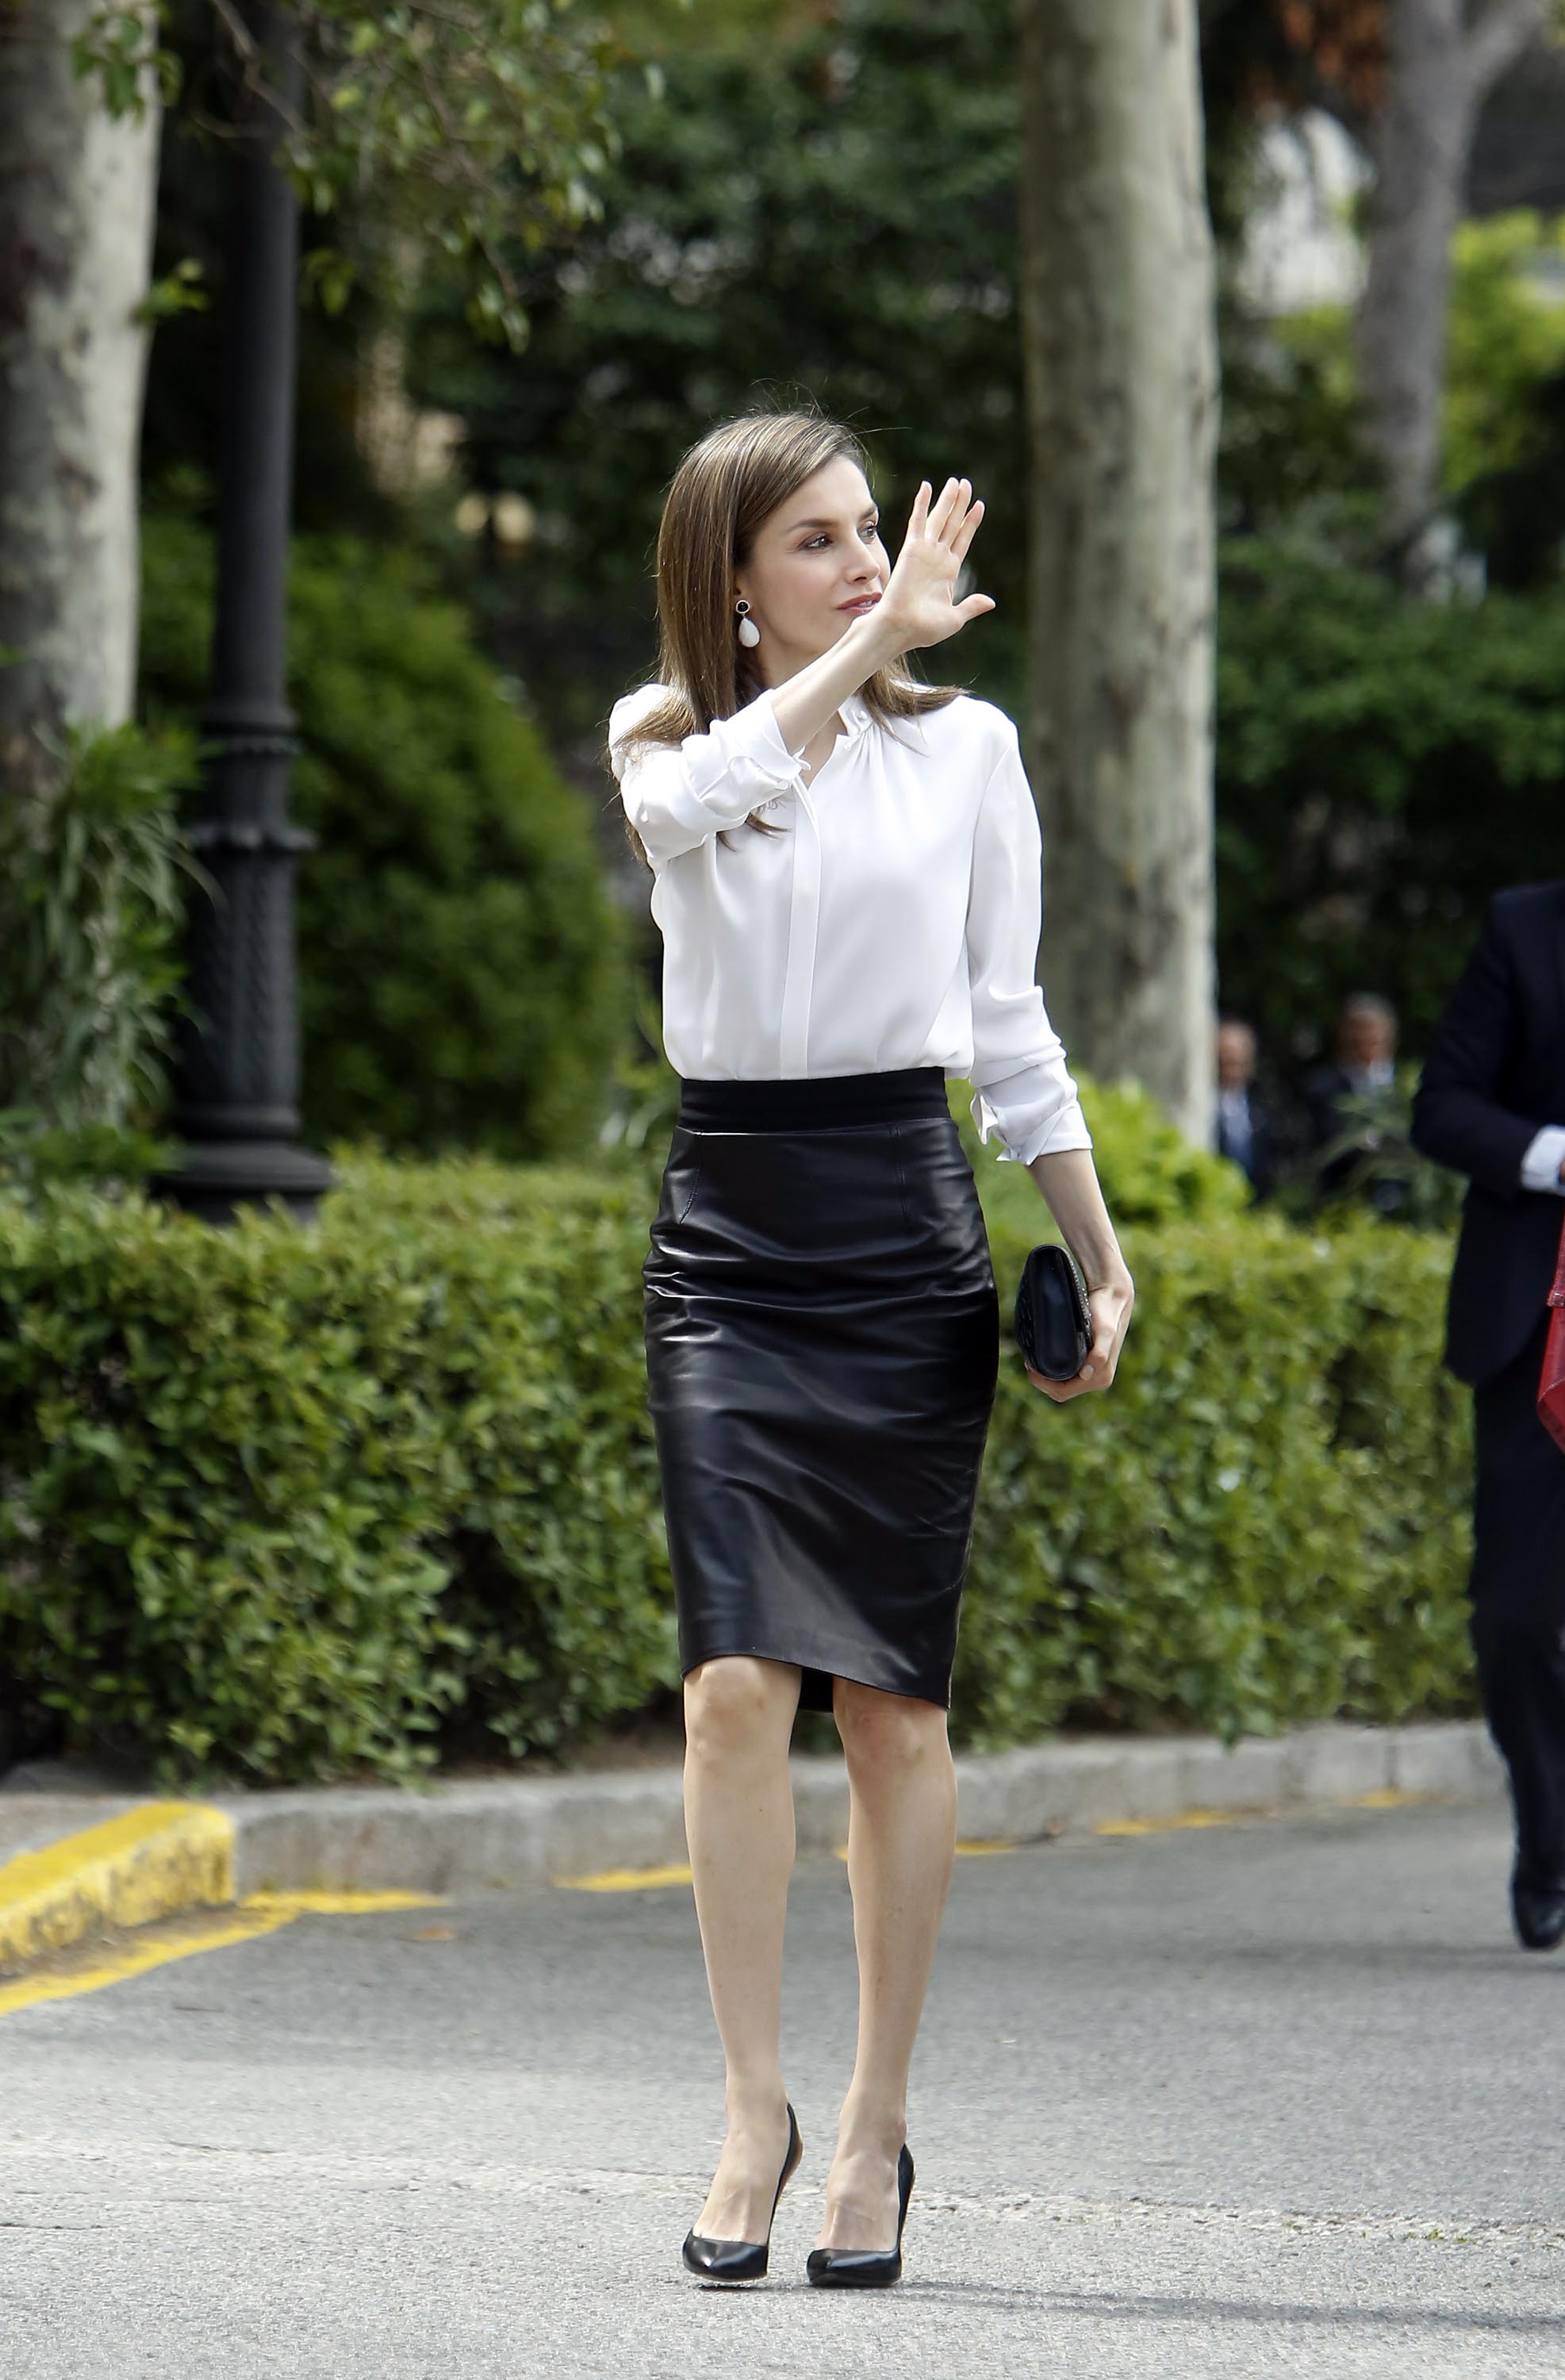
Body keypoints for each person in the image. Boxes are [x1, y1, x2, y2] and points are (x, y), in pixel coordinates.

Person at [604, 411, 1134, 2288]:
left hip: (899, 1229)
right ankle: (747, 2106)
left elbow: (1004, 1024)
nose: (860, 564)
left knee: (893, 1706)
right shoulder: (664, 740)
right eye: (816, 542)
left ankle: (873, 2120)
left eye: (867, 537)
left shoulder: (967, 752)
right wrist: (853, 650)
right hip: (729, 1244)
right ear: (730, 585)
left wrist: (1092, 1243)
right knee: (733, 1683)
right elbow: (690, 810)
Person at [1410, 881, 1565, 1953]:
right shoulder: (1521, 926)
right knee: (1514, 1616)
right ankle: (1549, 1838)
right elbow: (1442, 1107)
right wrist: (1554, 1155)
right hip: (1531, 1331)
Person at [1305, 992, 1408, 1213]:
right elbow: (1322, 1142)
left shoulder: (1407, 1085)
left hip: (1403, 1202)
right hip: (1343, 1201)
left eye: (1373, 1034)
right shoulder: (1322, 1087)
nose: (1365, 1040)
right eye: (1357, 1033)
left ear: (1390, 1037)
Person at [1214, 1015, 1277, 1200]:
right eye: (1225, 1060)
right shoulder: (1201, 1108)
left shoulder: (1263, 1109)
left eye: (1238, 1061)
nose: (1232, 1068)